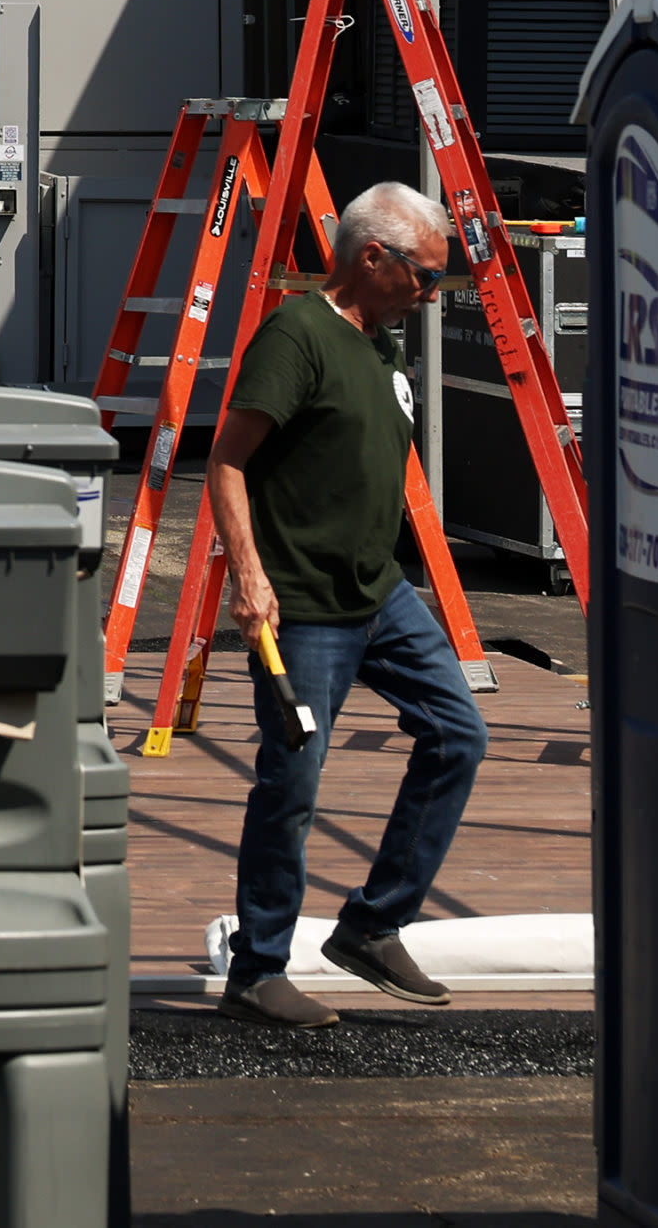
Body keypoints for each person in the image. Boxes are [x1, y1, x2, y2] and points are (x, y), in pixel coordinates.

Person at [210, 180, 483, 1028]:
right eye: (423, 276)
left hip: (380, 593)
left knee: (459, 732)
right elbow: (226, 461)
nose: (431, 294)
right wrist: (249, 576)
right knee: (291, 784)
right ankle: (257, 969)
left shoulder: (381, 344)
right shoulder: (298, 335)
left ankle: (371, 924)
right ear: (373, 258)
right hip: (303, 606)